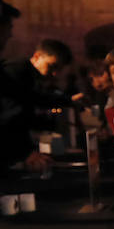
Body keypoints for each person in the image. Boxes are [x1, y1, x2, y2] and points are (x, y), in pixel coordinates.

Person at [1, 39, 73, 174]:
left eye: (59, 69)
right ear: (37, 56)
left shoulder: (27, 75)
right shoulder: (17, 72)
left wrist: (68, 101)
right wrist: (26, 152)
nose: (55, 73)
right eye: (52, 66)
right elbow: (12, 117)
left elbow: (38, 99)